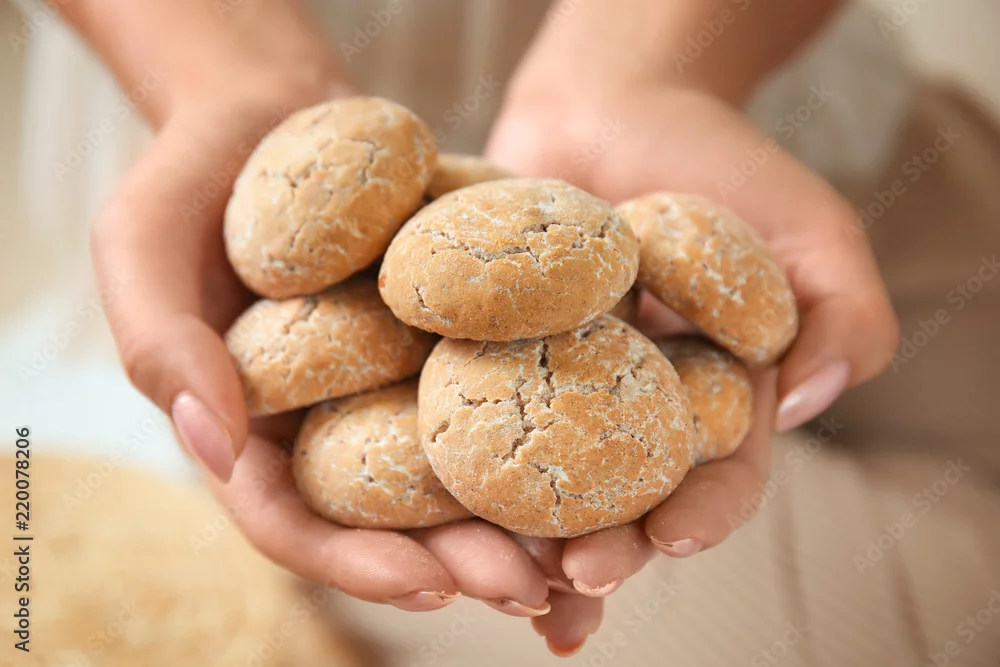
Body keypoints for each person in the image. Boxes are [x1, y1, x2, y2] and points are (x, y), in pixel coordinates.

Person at [32, 0, 1000, 661]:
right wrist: (230, 75)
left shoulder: (599, 243)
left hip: (780, 112)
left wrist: (646, 68)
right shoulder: (387, 278)